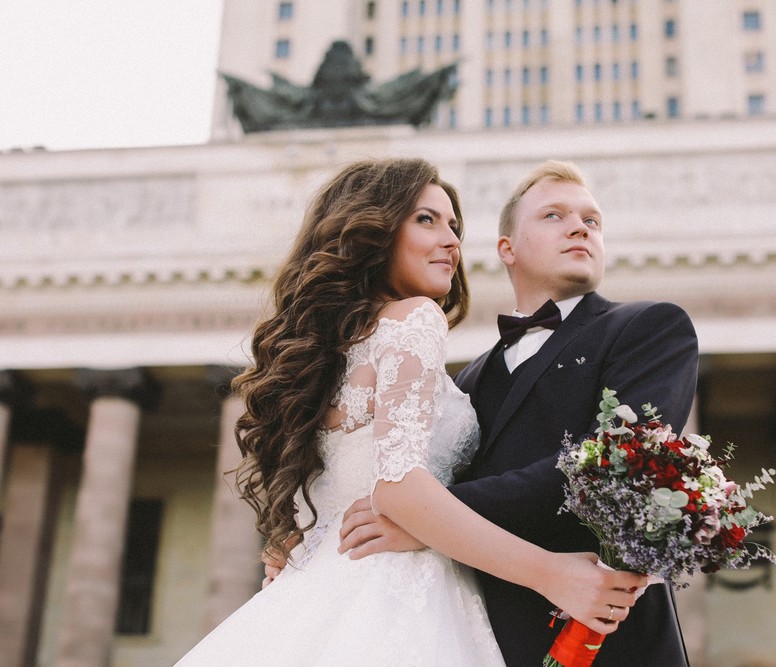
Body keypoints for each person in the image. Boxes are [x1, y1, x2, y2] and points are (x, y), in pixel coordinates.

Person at [174, 158, 646, 666]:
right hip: (399, 594)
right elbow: (397, 489)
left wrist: (292, 541)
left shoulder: (326, 352)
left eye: (454, 226)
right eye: (426, 220)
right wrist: (550, 573)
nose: (452, 241)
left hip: (319, 588)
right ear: (373, 230)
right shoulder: (415, 318)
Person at [335, 160, 699, 666]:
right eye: (553, 215)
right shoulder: (466, 380)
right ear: (506, 248)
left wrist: (423, 518)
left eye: (592, 221)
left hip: (612, 634)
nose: (580, 228)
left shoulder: (651, 327)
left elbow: (613, 465)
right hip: (484, 634)